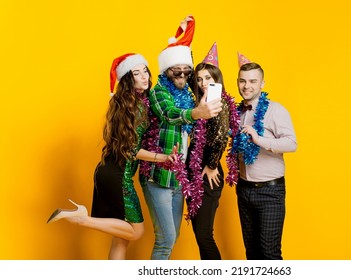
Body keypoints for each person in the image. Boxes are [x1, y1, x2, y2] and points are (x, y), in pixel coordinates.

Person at [47, 53, 178, 260]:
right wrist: (162, 158)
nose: (144, 77)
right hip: (119, 177)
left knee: (121, 238)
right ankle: (82, 218)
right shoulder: (137, 107)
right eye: (137, 73)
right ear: (128, 79)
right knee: (136, 231)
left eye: (145, 71)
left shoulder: (123, 103)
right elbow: (132, 150)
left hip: (106, 171)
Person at [139, 16, 222, 260]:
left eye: (188, 71)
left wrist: (211, 161)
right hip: (158, 176)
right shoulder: (159, 92)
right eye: (178, 70)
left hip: (178, 178)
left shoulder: (187, 93)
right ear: (166, 70)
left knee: (172, 238)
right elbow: (171, 114)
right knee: (165, 240)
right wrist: (197, 113)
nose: (184, 75)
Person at [230, 53, 297, 260]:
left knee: (269, 253)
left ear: (262, 83)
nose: (246, 86)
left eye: (252, 81)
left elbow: (291, 143)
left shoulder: (275, 110)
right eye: (242, 81)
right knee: (252, 254)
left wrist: (259, 140)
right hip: (244, 190)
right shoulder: (236, 113)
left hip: (270, 192)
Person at [185, 42, 239, 259]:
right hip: (193, 171)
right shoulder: (202, 101)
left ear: (217, 79)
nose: (203, 82)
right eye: (200, 79)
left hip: (208, 174)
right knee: (200, 233)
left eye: (208, 78)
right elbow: (187, 73)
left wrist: (211, 165)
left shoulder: (220, 103)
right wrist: (184, 40)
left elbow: (219, 137)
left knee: (204, 234)